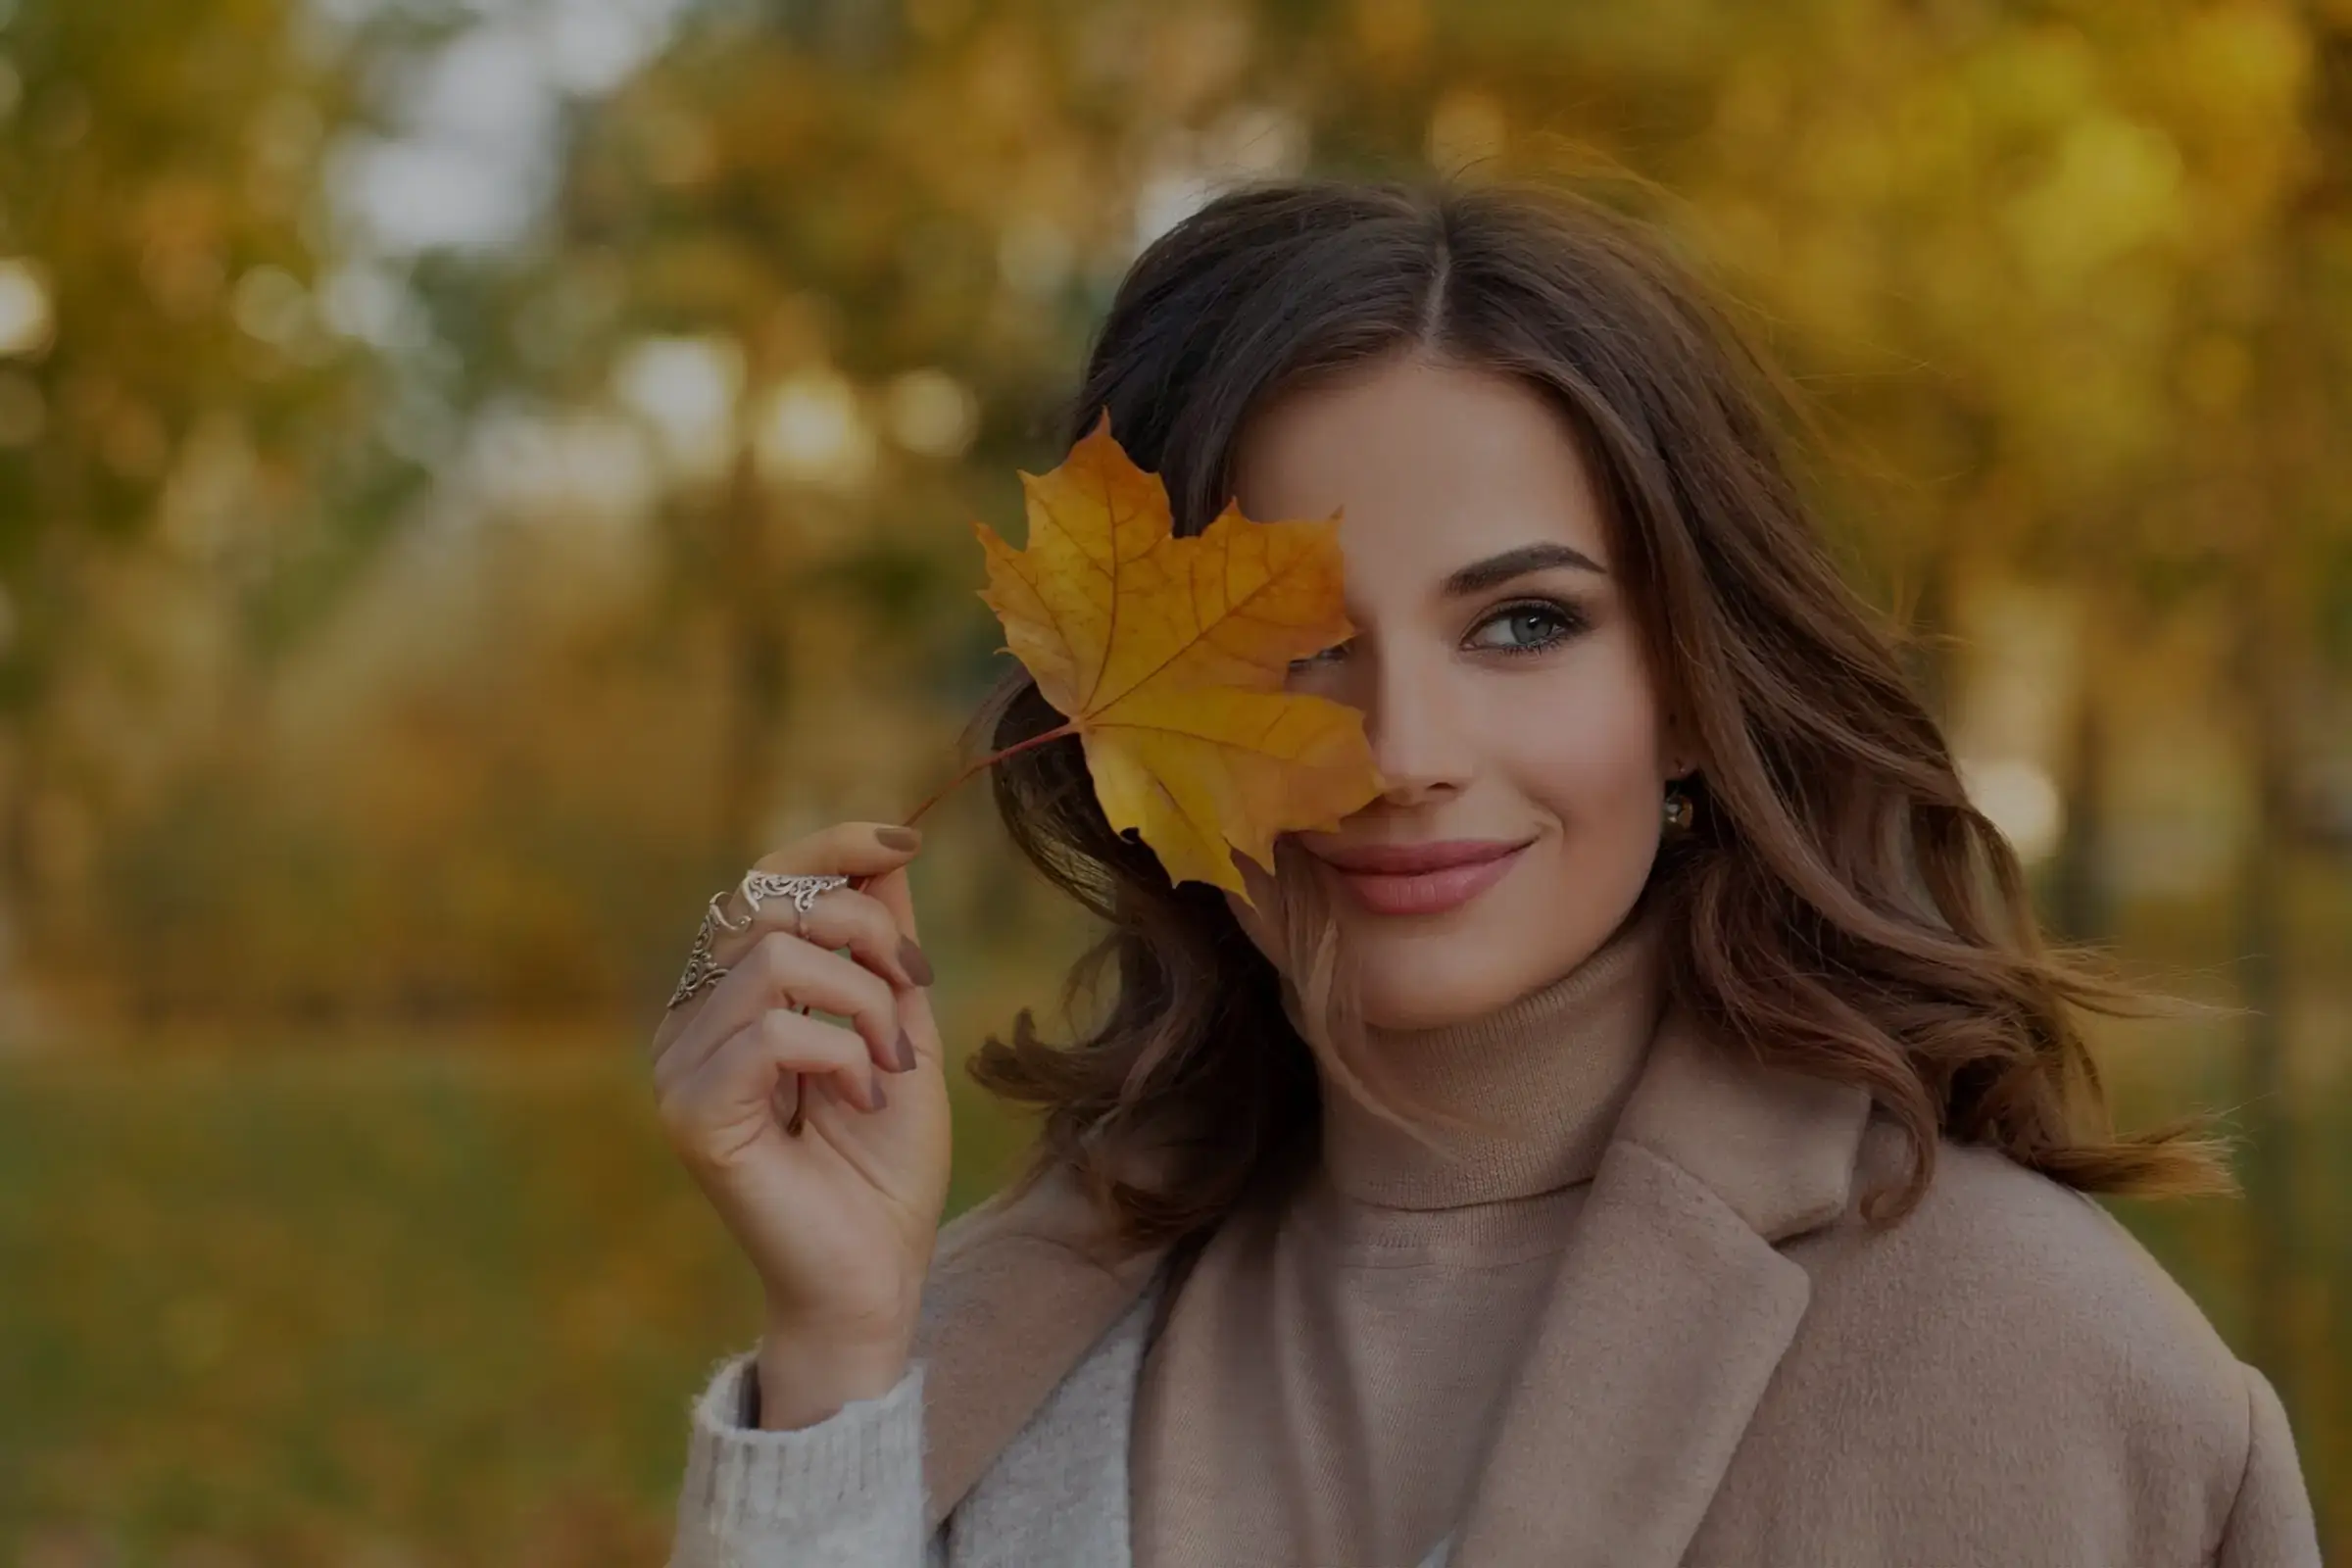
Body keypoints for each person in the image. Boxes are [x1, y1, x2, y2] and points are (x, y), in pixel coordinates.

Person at [649, 177, 2325, 1568]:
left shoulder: (2046, 1371)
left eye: (1526, 623)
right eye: (1298, 644)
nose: (1402, 747)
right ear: (1109, 719)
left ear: (1685, 691)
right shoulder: (982, 1337)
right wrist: (839, 1371)